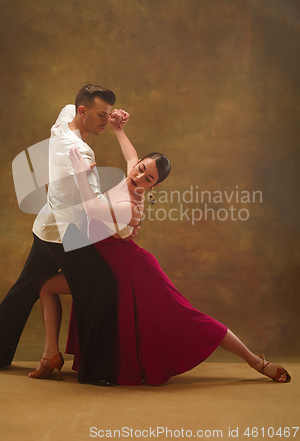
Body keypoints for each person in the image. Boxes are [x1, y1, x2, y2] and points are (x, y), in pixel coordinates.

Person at [31, 112, 291, 385]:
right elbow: (130, 155)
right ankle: (51, 355)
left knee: (188, 318)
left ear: (153, 186)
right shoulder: (131, 174)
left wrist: (82, 175)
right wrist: (119, 130)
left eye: (148, 179)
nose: (139, 176)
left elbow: (92, 208)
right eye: (141, 168)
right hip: (104, 272)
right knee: (46, 286)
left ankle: (257, 362)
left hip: (136, 274)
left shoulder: (131, 207)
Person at [0, 84, 130, 387]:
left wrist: (111, 120)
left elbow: (68, 106)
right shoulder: (78, 152)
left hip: (47, 225)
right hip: (65, 233)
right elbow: (96, 206)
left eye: (108, 114)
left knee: (27, 287)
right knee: (102, 289)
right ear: (83, 112)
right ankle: (96, 373)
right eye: (101, 115)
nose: (105, 120)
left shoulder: (64, 119)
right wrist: (126, 225)